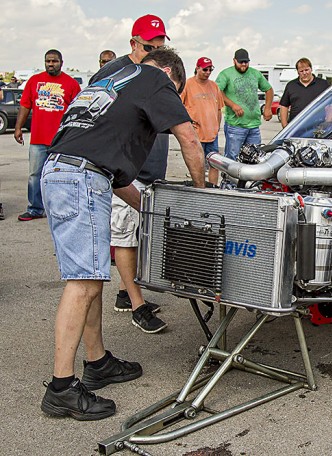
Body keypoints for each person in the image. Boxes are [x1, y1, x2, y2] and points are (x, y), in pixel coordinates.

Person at [39, 47, 205, 421]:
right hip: (82, 178)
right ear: (169, 73)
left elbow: (118, 179)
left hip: (65, 173)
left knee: (91, 277)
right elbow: (191, 140)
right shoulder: (156, 78)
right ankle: (61, 388)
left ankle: (97, 363)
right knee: (82, 283)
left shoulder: (109, 82)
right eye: (176, 91)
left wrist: (156, 210)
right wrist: (199, 196)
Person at [89, 14, 171, 333]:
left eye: (161, 49)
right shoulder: (114, 73)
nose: (155, 54)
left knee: (139, 233)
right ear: (133, 43)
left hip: (148, 169)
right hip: (125, 170)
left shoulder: (153, 71)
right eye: (149, 48)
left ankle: (126, 293)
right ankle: (138, 307)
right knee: (125, 234)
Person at [14, 50, 81, 221]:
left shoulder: (71, 84)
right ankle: (35, 208)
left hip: (61, 140)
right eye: (48, 61)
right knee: (35, 175)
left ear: (61, 62)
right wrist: (18, 128)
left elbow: (77, 112)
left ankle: (61, 209)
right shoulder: (34, 81)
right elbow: (25, 105)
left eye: (54, 61)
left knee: (61, 175)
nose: (51, 64)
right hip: (38, 138)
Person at [215, 48, 273, 160]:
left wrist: (268, 108)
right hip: (235, 126)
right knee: (233, 157)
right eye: (240, 62)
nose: (243, 64)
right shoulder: (226, 74)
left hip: (254, 126)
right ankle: (230, 178)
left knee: (254, 157)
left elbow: (269, 89)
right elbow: (217, 92)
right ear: (234, 61)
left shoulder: (255, 74)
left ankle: (249, 178)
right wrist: (232, 105)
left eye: (246, 62)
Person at [180, 57, 223, 185]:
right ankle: (199, 188)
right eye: (205, 69)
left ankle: (213, 188)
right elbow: (178, 106)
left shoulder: (214, 86)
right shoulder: (188, 84)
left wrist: (217, 127)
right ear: (197, 68)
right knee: (197, 165)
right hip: (196, 134)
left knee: (214, 164)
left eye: (210, 69)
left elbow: (219, 109)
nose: (208, 72)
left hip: (212, 134)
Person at [279, 57, 329, 127]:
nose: (304, 73)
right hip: (295, 127)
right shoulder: (291, 85)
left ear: (311, 69)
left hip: (318, 126)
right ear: (297, 72)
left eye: (307, 70)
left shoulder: (323, 84)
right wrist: (284, 125)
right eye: (301, 71)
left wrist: (328, 123)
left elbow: (331, 104)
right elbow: (284, 106)